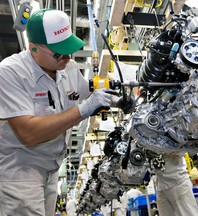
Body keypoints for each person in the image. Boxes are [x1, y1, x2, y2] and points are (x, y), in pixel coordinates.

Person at [0, 8, 116, 216]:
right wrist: (84, 109)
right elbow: (28, 133)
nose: (68, 57)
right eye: (59, 52)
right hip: (20, 169)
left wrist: (114, 97)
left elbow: (86, 91)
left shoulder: (68, 67)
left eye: (69, 49)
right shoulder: (10, 73)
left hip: (51, 167)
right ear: (33, 49)